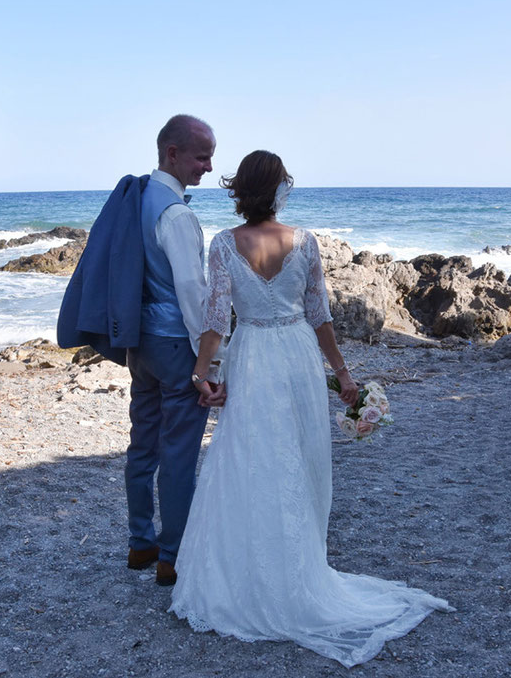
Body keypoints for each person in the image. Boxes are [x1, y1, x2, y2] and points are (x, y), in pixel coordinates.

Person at [168, 150, 454, 667]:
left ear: (239, 191)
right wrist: (342, 374)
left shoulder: (223, 245)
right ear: (279, 189)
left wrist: (202, 376)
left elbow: (216, 323)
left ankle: (257, 575)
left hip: (252, 354)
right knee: (299, 457)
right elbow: (320, 317)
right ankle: (297, 571)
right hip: (297, 353)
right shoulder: (306, 242)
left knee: (249, 458)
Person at [57, 114, 223, 587]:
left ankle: (139, 543)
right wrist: (209, 361)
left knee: (142, 445)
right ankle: (171, 556)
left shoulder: (137, 199)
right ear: (173, 153)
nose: (208, 167)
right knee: (179, 453)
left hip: (140, 344)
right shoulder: (176, 214)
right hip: (175, 345)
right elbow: (193, 293)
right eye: (202, 156)